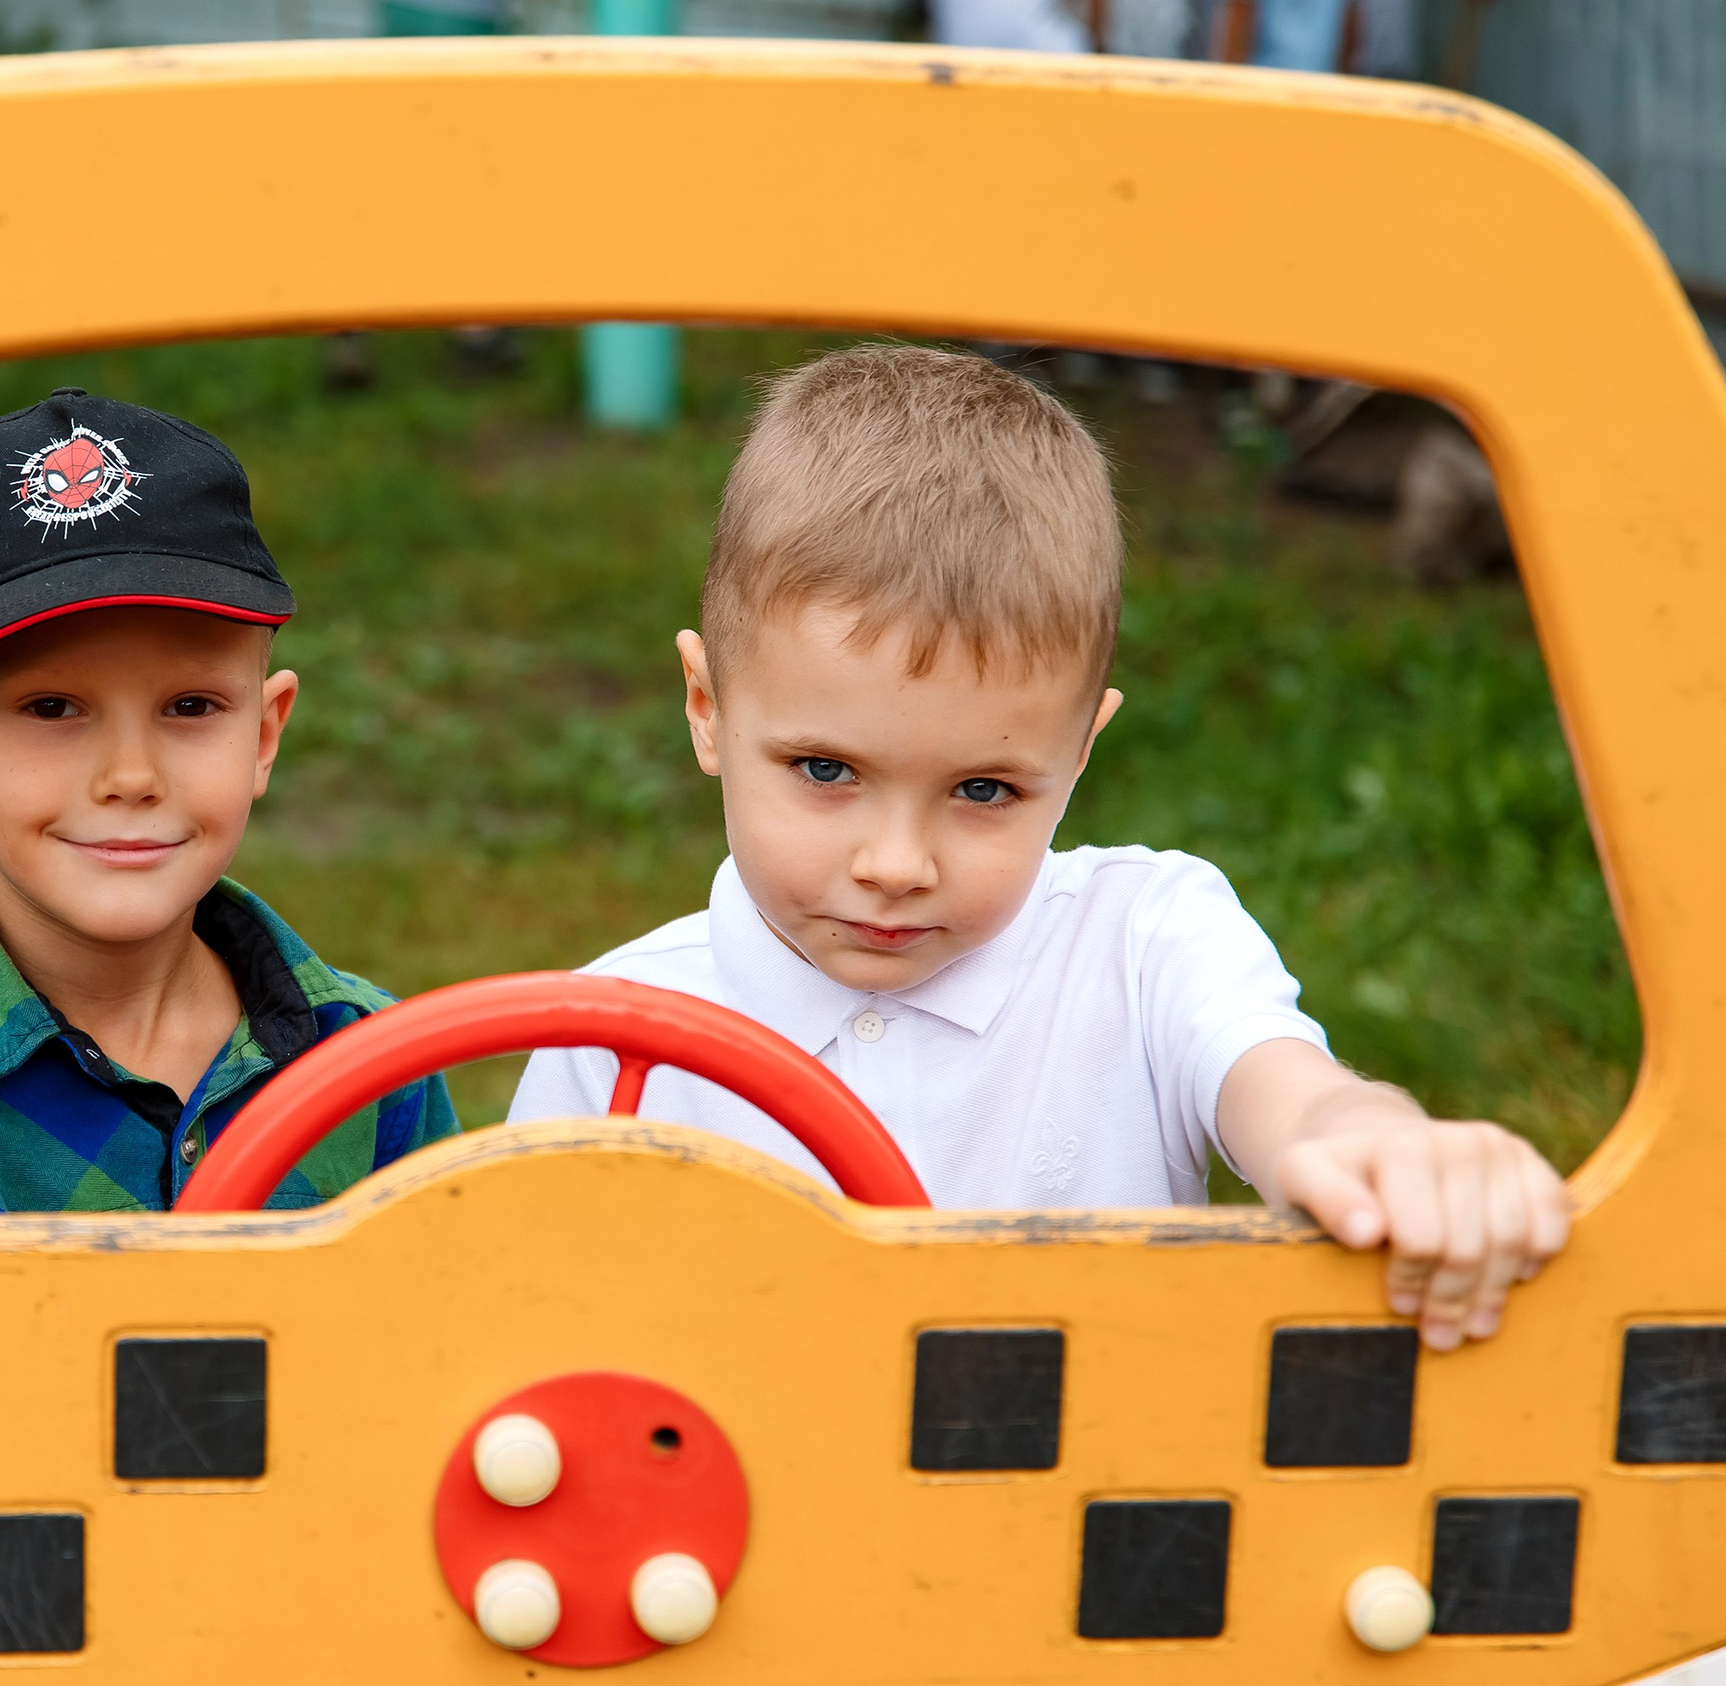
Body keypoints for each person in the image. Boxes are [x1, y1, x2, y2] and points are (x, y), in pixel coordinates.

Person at [508, 344, 1568, 1351]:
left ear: (1078, 752)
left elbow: (1288, 1091)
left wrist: (1375, 1145)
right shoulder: (614, 1042)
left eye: (983, 789)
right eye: (826, 772)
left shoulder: (1147, 940)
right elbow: (538, 1334)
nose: (895, 863)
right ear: (706, 709)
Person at [0, 389, 457, 1213]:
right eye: (52, 708)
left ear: (263, 735)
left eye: (191, 707)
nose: (130, 774)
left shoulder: (375, 1059)